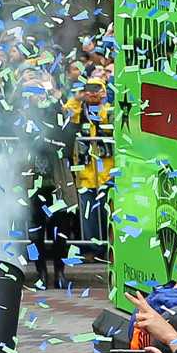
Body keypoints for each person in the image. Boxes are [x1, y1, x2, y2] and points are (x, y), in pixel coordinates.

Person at [63, 71, 114, 259]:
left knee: (106, 213)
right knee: (88, 217)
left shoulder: (107, 109)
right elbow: (67, 112)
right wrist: (77, 98)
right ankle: (91, 250)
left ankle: (109, 249)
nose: (92, 93)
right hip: (85, 174)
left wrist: (103, 98)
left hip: (106, 173)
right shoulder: (79, 111)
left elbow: (110, 119)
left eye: (96, 89)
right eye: (89, 89)